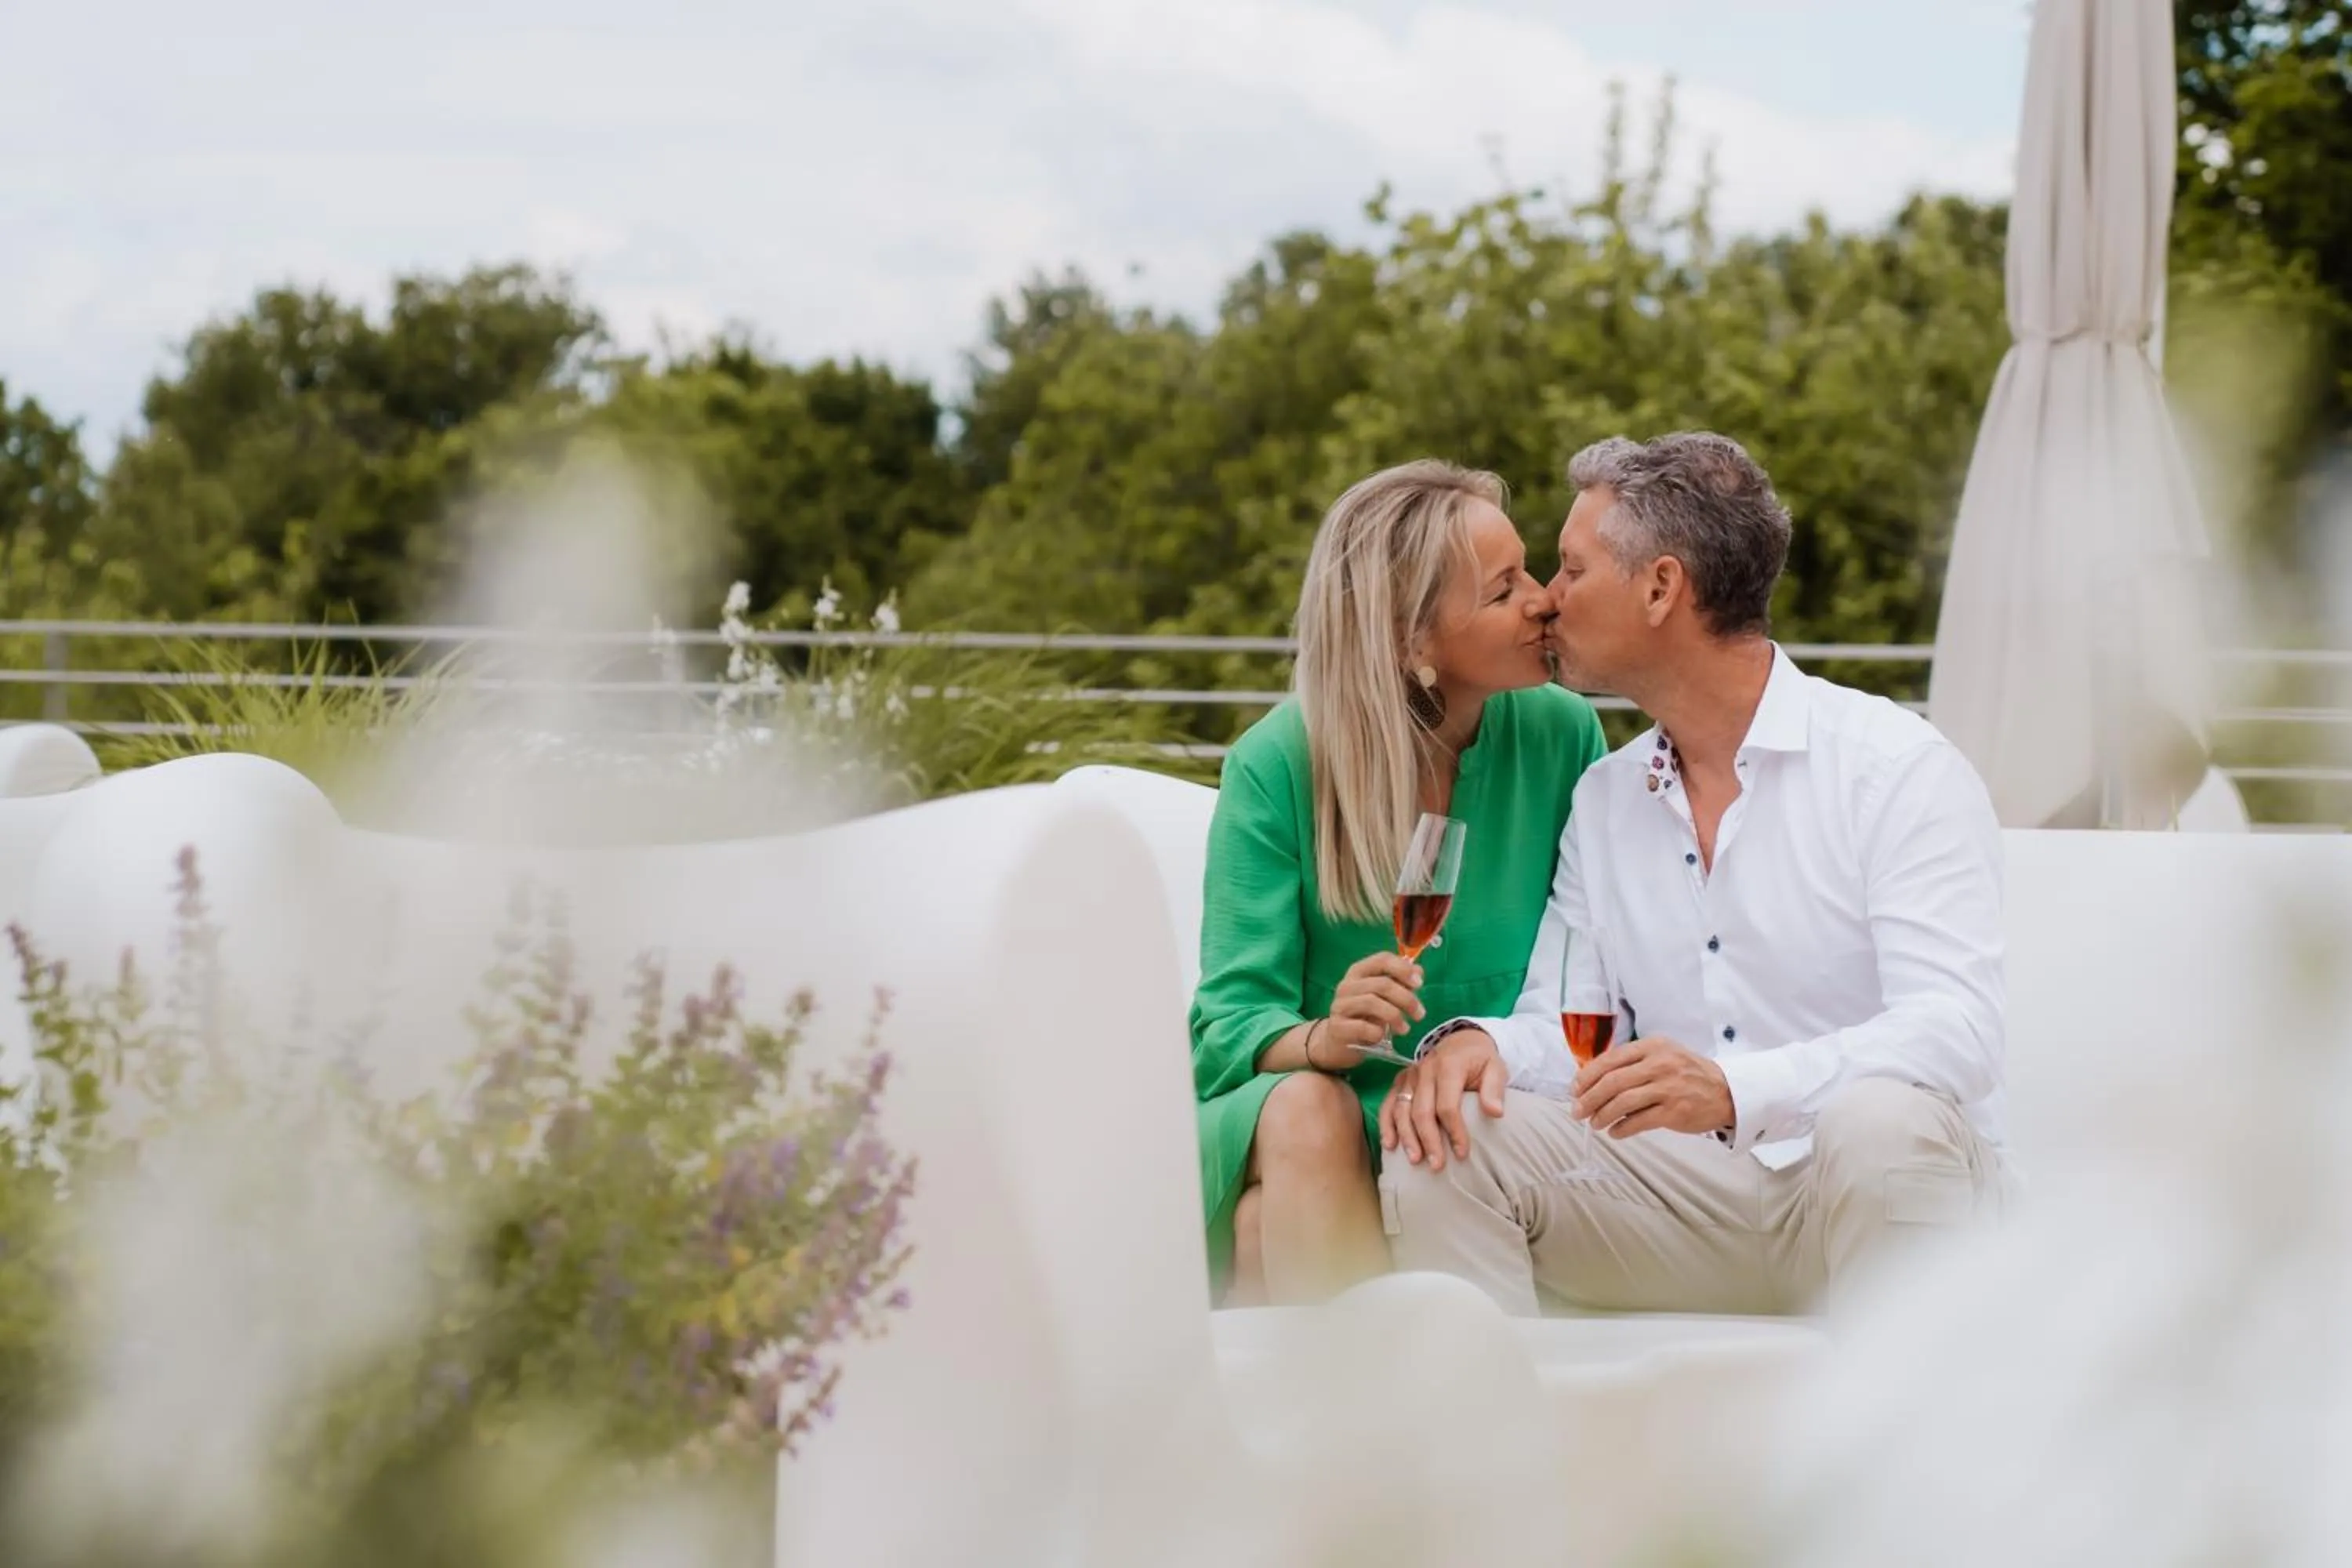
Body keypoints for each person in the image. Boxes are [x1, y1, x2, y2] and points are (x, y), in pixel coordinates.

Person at [1379, 432, 2009, 1316]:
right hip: (1685, 1199)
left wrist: (1732, 1089)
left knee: (1880, 1121)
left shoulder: (1893, 765)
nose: (1547, 603)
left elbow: (1956, 1033)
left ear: (1661, 587)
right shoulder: (1604, 798)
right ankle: (1491, 1448)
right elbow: (1573, 1031)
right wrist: (1475, 1044)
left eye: (1570, 568)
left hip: (1873, 1188)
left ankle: (1902, 1444)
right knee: (1442, 1135)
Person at [1190, 459, 1609, 1305]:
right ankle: (1380, 1421)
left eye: (1529, 569)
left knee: (1258, 1240)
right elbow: (1226, 1027)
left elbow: (1596, 970)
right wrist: (1328, 1036)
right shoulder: (1279, 764)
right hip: (1315, 1120)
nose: (1542, 598)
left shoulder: (1563, 735)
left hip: (1484, 1107)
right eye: (1502, 590)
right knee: (1311, 1109)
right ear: (1411, 639)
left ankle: (1351, 1419)